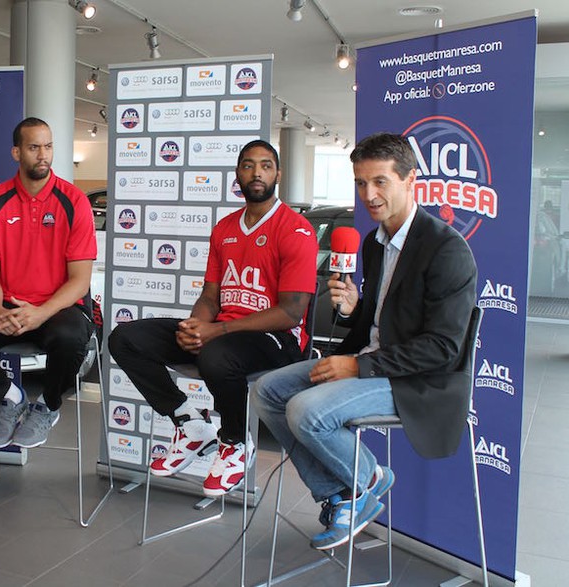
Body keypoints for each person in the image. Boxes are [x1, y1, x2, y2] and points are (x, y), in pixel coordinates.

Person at [251, 132, 478, 551]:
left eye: (380, 182)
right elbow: (378, 322)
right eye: (360, 183)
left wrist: (357, 366)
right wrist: (355, 311)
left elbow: (443, 349)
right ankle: (343, 494)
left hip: (419, 381)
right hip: (373, 361)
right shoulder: (374, 244)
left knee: (306, 410)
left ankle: (368, 477)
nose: (368, 194)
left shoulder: (446, 249)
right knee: (269, 390)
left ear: (410, 180)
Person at [108, 140, 318, 497]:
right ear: (237, 173)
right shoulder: (225, 228)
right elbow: (210, 296)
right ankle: (189, 423)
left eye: (266, 166)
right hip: (225, 332)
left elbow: (291, 312)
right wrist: (195, 327)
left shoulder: (296, 229)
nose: (257, 173)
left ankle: (235, 442)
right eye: (248, 165)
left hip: (277, 340)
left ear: (277, 174)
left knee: (216, 354)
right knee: (124, 338)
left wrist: (216, 330)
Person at [0, 117, 96, 449]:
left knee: (71, 336)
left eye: (48, 146)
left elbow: (80, 281)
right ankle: (9, 398)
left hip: (57, 309)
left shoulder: (74, 201)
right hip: (9, 306)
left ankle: (48, 407)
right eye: (34, 147)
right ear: (16, 152)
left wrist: (40, 313)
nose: (43, 155)